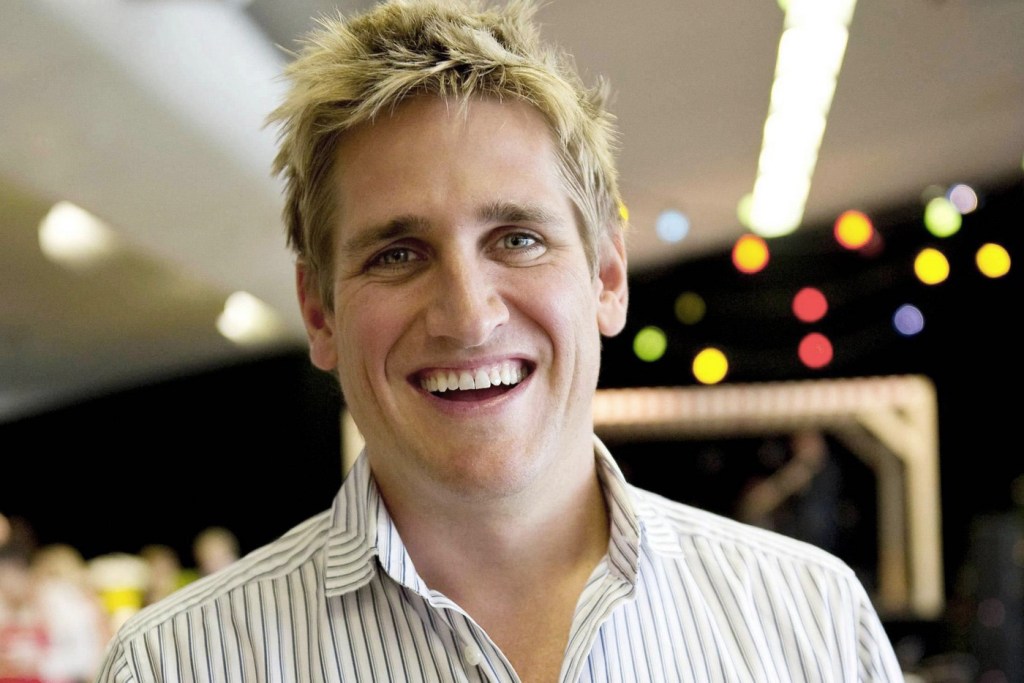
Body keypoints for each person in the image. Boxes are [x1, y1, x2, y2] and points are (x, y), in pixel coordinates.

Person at [94, 0, 903, 680]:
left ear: (607, 276)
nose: (468, 316)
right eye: (397, 254)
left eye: (517, 239)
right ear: (319, 313)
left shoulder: (812, 624)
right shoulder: (176, 664)